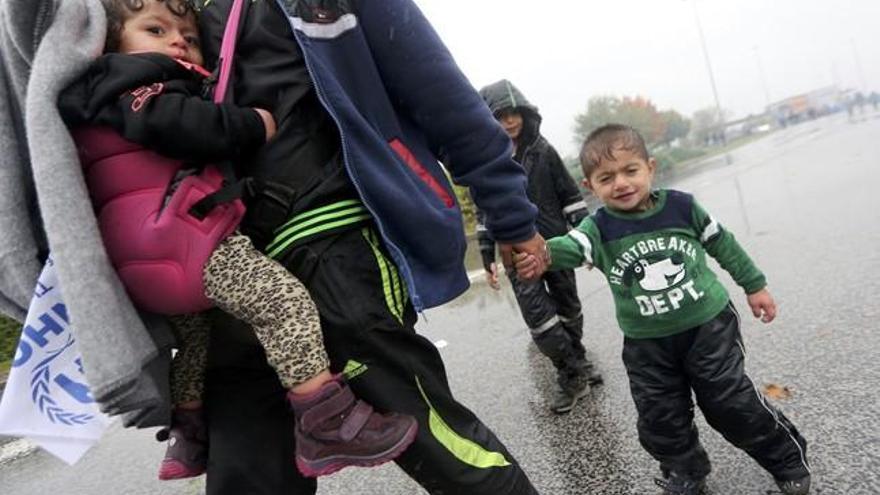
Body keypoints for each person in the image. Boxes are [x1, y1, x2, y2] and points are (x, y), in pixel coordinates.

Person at [195, 0, 549, 493]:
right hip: (225, 272)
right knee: (247, 475)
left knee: (439, 446)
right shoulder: (173, 14)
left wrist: (510, 216)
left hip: (332, 243)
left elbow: (441, 93)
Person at [58, 0, 417, 481]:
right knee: (283, 304)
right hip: (186, 240)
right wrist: (252, 123)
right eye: (156, 28)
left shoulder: (91, 101)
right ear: (111, 40)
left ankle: (188, 432)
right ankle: (324, 419)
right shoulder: (137, 80)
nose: (178, 40)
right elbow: (179, 124)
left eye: (187, 32)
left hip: (138, 260)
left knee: (195, 342)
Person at [515, 124, 811, 495]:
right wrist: (539, 256)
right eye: (606, 178)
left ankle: (787, 459)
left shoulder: (682, 207)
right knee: (660, 416)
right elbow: (570, 248)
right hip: (646, 344)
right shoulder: (598, 227)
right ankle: (685, 471)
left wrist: (755, 286)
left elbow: (724, 245)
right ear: (590, 187)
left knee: (728, 402)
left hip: (708, 327)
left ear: (650, 168)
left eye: (630, 171)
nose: (621, 183)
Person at [476, 79, 601, 414]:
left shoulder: (544, 151)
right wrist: (487, 255)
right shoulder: (485, 164)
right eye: (500, 116)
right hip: (515, 253)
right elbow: (484, 213)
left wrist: (585, 239)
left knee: (569, 308)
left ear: (525, 114)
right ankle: (571, 373)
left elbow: (570, 196)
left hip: (555, 245)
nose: (509, 122)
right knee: (540, 321)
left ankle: (579, 361)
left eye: (514, 114)